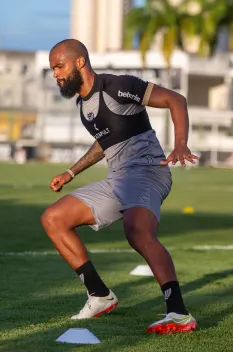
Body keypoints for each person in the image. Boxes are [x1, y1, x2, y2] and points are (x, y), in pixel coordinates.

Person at [40, 39, 199, 335]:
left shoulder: (117, 85)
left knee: (137, 231)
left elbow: (176, 100)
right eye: (52, 69)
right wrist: (70, 172)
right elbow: (105, 141)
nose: (55, 74)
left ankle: (178, 313)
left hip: (148, 170)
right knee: (53, 219)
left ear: (79, 62)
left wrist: (180, 144)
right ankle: (99, 295)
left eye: (58, 66)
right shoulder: (83, 104)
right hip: (119, 178)